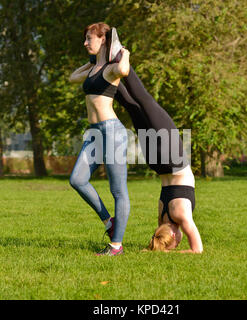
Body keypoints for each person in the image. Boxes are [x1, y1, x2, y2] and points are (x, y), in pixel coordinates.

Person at [90, 38, 203, 253]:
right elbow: (179, 244)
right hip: (157, 163)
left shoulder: (179, 215)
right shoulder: (162, 215)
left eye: (178, 240)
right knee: (133, 107)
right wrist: (162, 250)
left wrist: (174, 251)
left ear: (172, 234)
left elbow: (197, 250)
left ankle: (122, 58)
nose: (182, 238)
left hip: (173, 160)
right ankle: (105, 70)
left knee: (147, 103)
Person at [68, 22, 131, 256]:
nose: (85, 43)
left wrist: (124, 53)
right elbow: (73, 77)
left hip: (112, 132)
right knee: (77, 179)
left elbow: (124, 70)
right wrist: (92, 61)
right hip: (94, 133)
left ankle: (116, 245)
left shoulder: (112, 69)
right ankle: (109, 222)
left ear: (103, 39)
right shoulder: (95, 68)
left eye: (89, 39)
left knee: (118, 191)